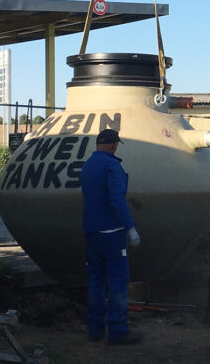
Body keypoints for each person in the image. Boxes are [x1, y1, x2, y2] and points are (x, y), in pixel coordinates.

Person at [81, 128, 142, 345]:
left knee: (95, 281)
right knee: (117, 282)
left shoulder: (87, 166)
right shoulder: (112, 166)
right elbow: (117, 199)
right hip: (112, 234)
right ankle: (118, 331)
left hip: (91, 231)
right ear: (114, 145)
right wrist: (130, 227)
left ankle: (95, 329)